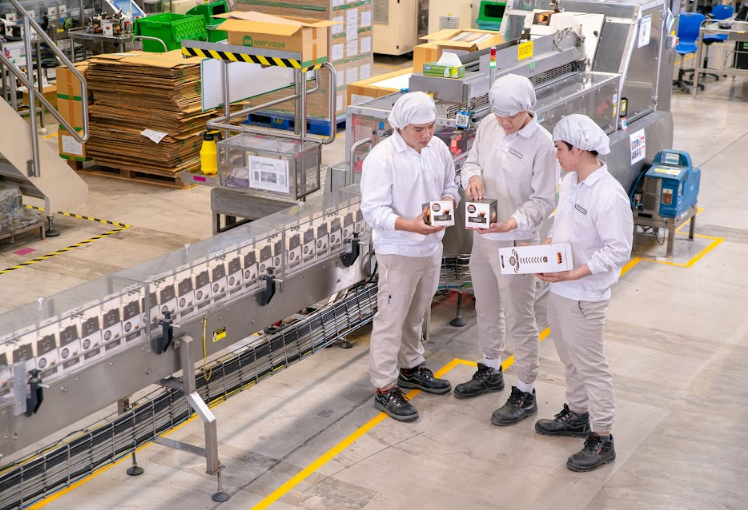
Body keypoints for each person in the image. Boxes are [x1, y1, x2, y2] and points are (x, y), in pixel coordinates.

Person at [455, 74, 557, 427]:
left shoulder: (543, 145)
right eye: (499, 115)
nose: (504, 122)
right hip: (484, 238)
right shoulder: (489, 124)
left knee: (519, 316)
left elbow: (544, 200)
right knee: (485, 304)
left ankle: (526, 389)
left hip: (516, 241)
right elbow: (471, 161)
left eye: (511, 117)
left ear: (528, 109)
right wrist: (472, 177)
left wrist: (511, 223)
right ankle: (490, 367)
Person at [534, 114, 633, 472]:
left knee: (591, 366)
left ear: (577, 149)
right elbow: (561, 222)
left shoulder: (609, 196)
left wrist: (572, 272)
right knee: (569, 357)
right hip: (562, 289)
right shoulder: (572, 180)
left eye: (559, 148)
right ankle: (577, 414)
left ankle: (602, 436)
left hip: (585, 294)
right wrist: (546, 246)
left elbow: (617, 250)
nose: (556, 154)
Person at [360, 91, 460, 422]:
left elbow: (450, 185)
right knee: (391, 320)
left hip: (431, 247)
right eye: (419, 129)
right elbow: (373, 211)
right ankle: (385, 387)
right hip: (398, 250)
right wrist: (411, 226)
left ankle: (411, 367)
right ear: (401, 126)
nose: (427, 135)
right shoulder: (382, 158)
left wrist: (449, 202)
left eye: (431, 126)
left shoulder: (438, 149)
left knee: (417, 314)